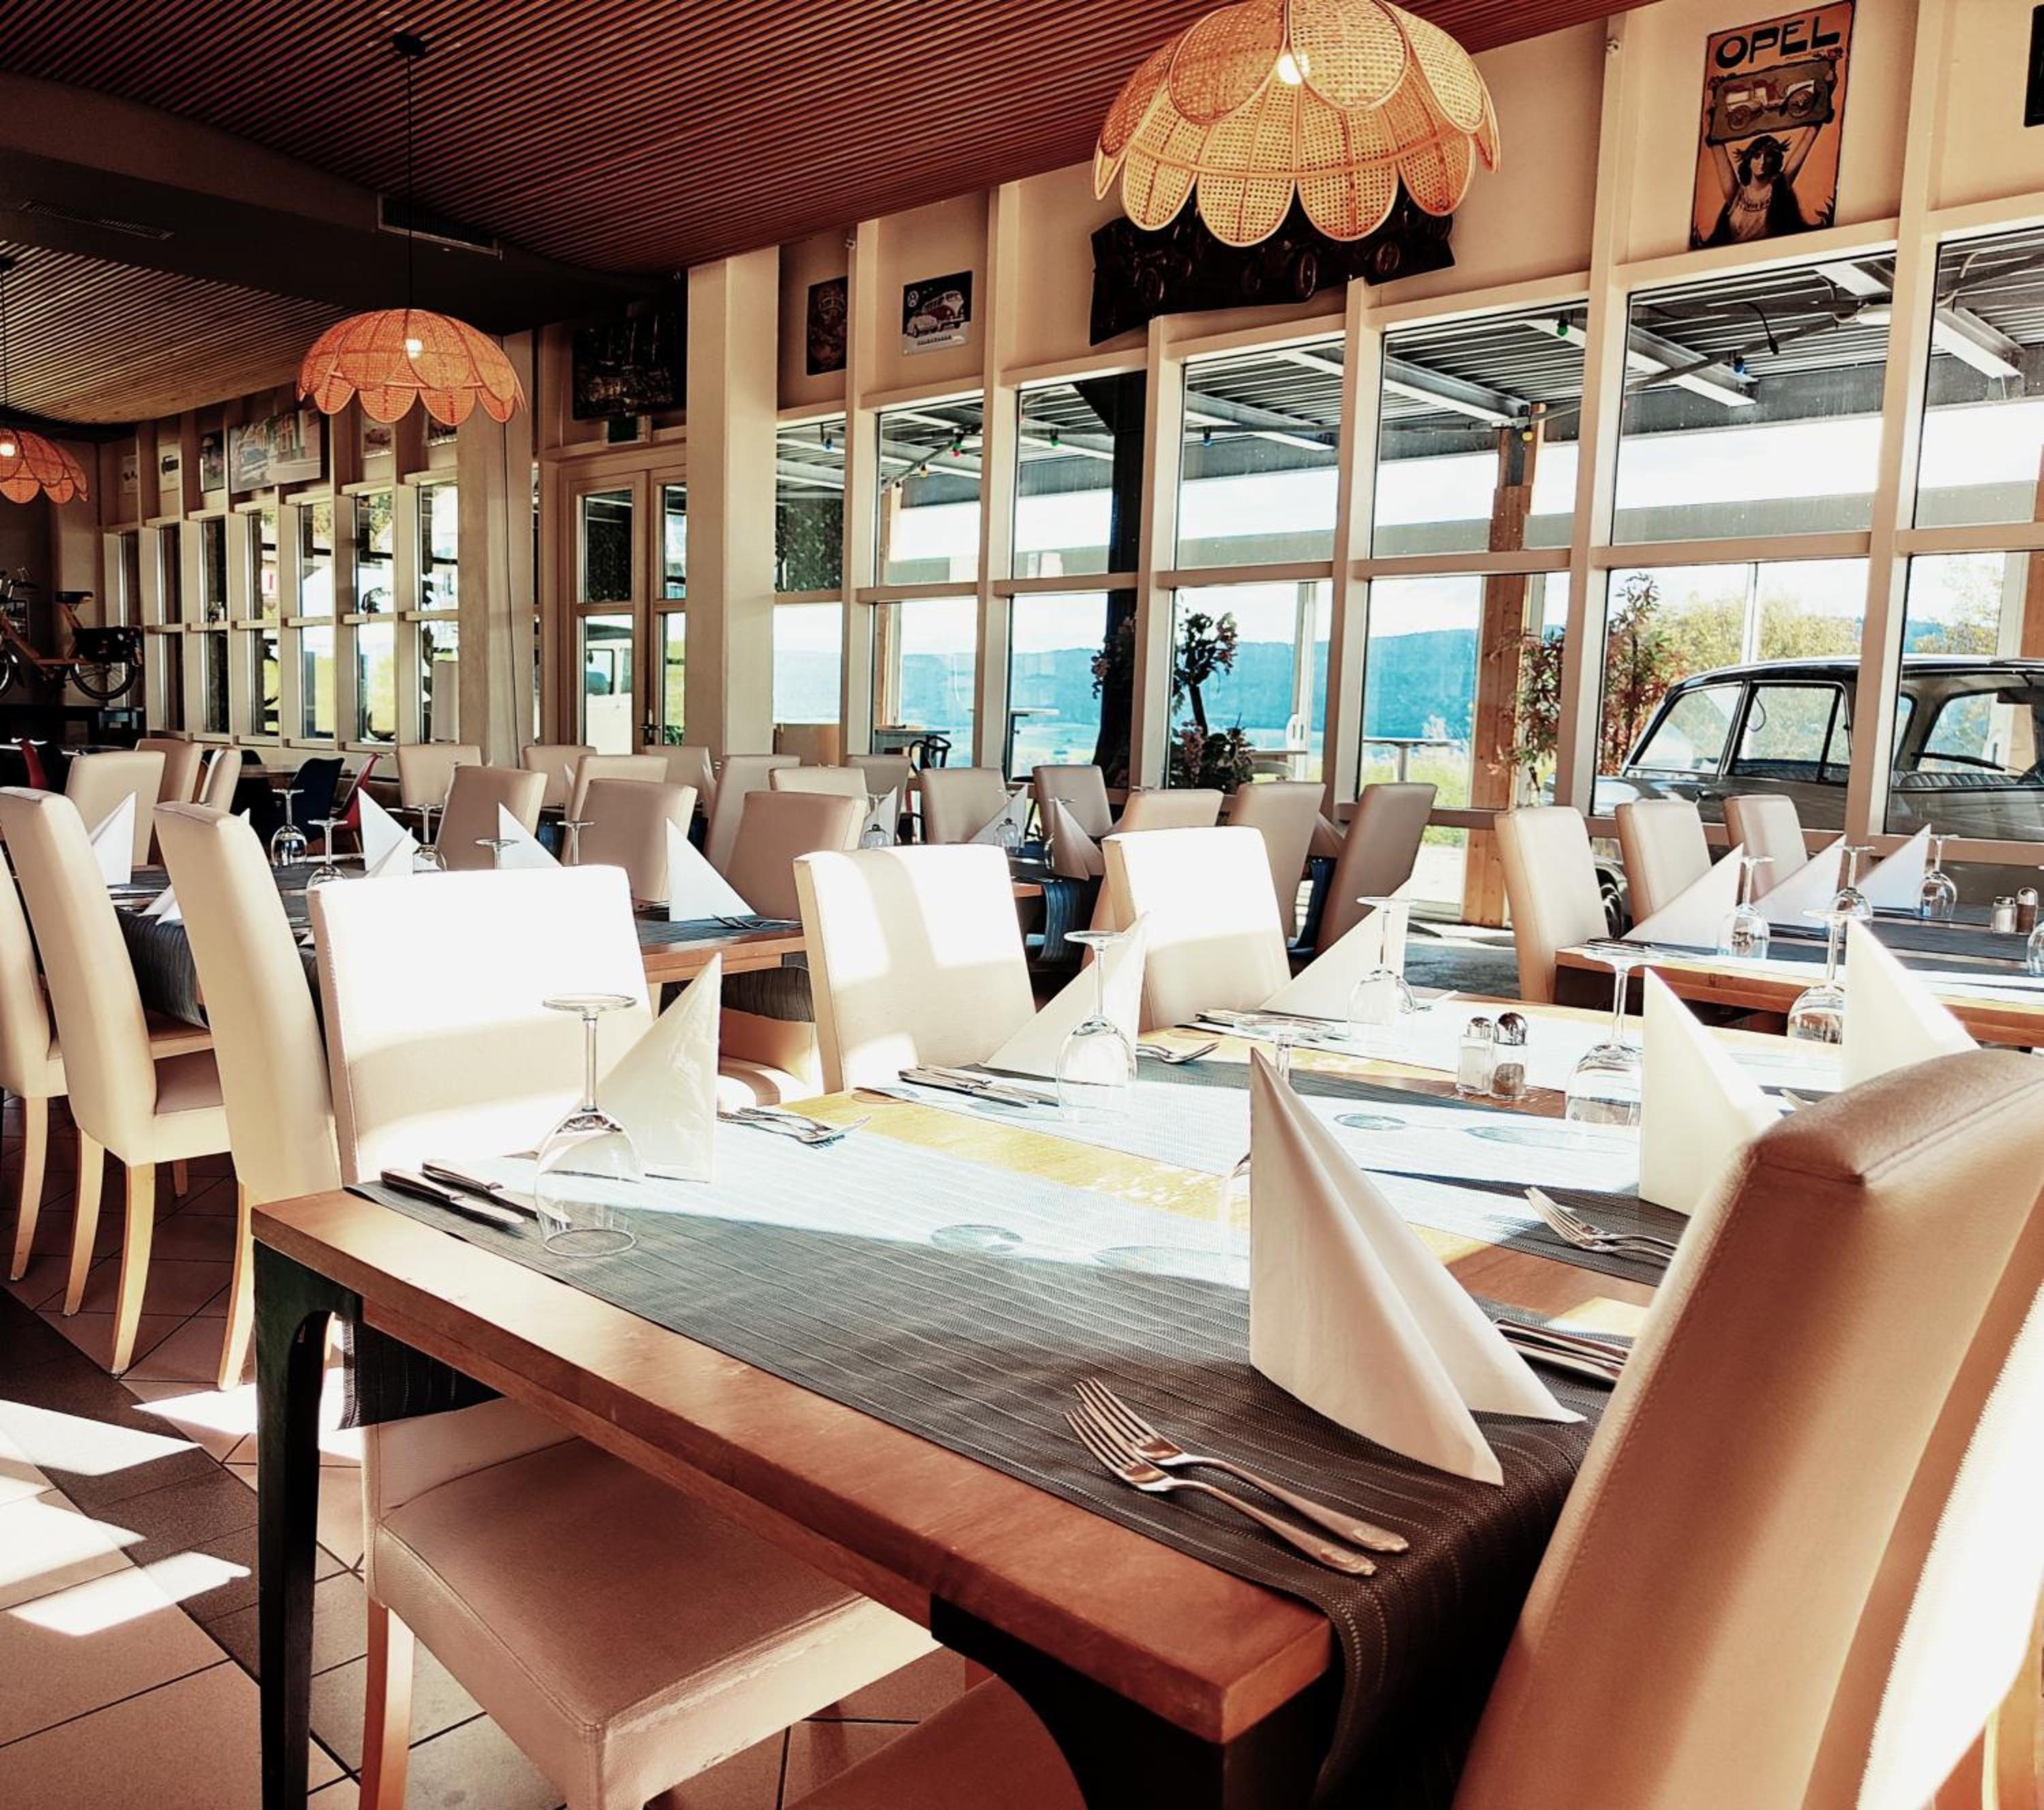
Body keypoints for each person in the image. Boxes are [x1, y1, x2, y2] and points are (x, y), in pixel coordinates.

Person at [1701, 127, 1823, 246]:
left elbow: (1805, 143)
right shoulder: (1736, 194)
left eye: (1768, 156)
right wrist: (1711, 124)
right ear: (1749, 161)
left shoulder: (1779, 188)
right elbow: (1717, 148)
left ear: (1775, 160)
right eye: (1757, 156)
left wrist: (1816, 122)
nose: (1762, 161)